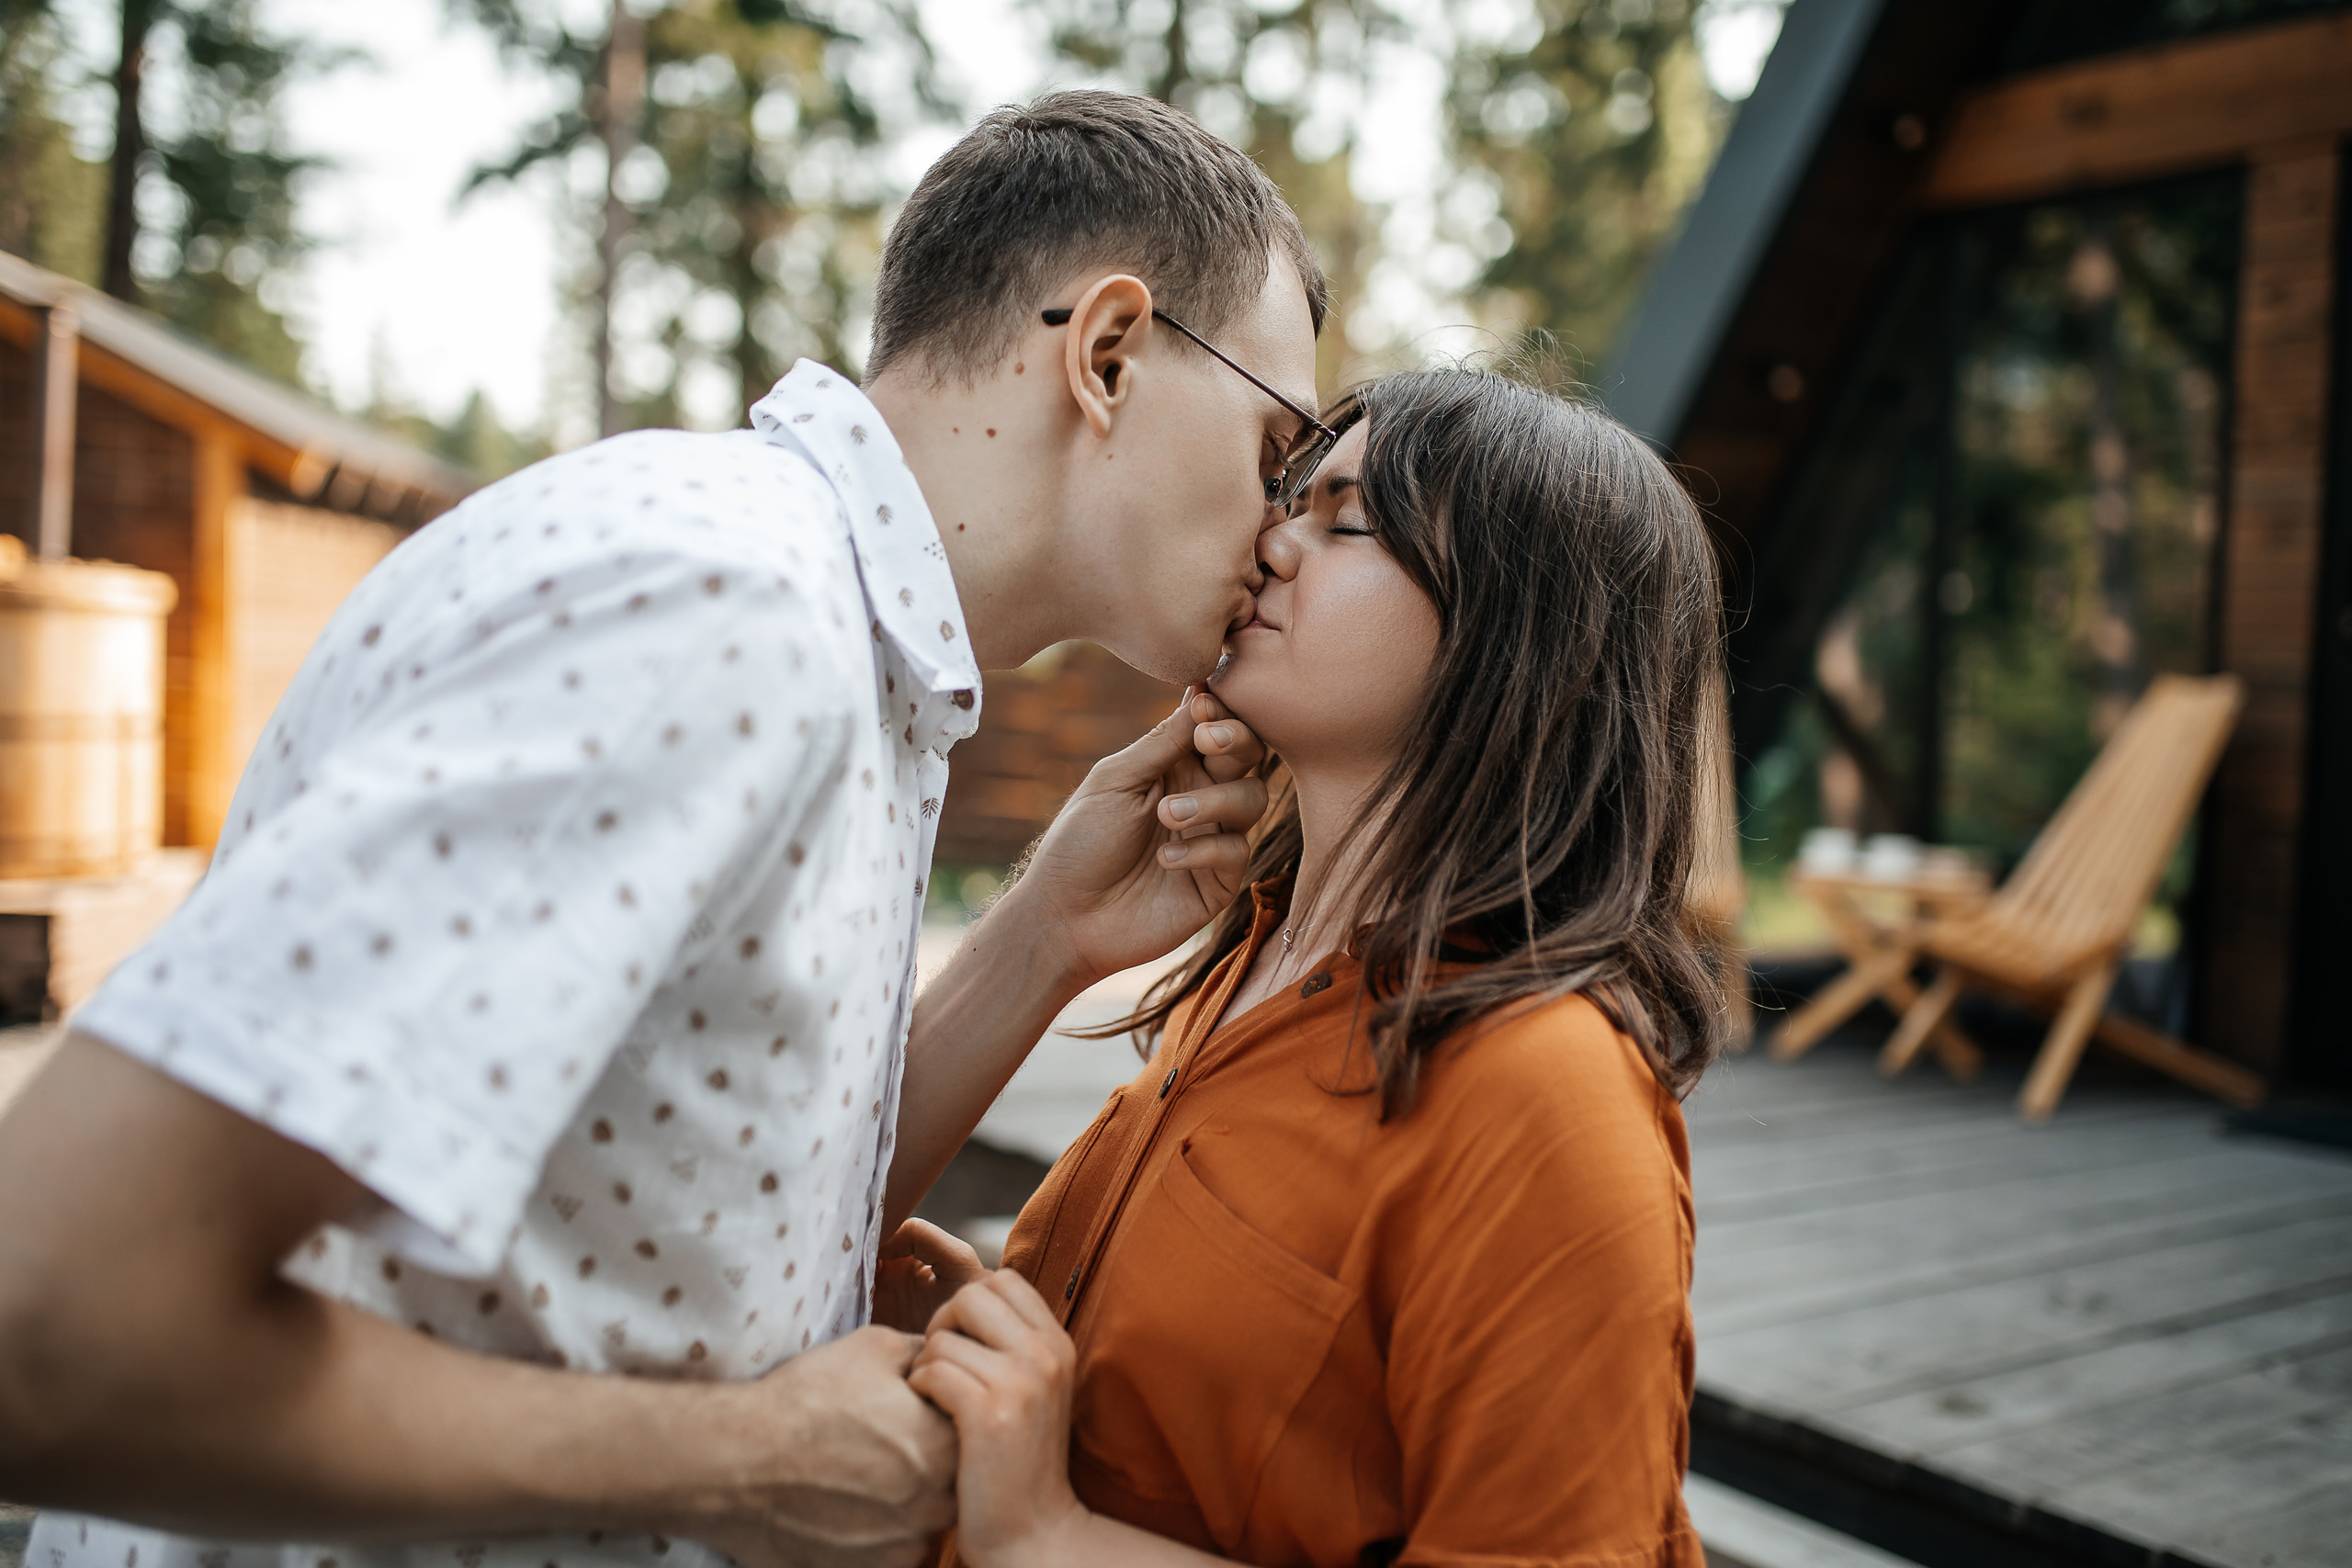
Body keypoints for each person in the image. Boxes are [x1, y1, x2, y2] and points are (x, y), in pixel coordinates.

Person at [0, 90, 1337, 1568]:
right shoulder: (721, 610)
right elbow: (52, 1322)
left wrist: (1044, 940)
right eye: (1279, 445)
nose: (1287, 525)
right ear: (1105, 354)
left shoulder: (842, 650)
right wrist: (741, 1466)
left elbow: (675, 1232)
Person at [896, 367, 1730, 1567]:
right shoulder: (1250, 953)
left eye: (1346, 522)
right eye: (1290, 498)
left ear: (1515, 629)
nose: (1269, 539)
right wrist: (1011, 1342)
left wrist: (1048, 1535)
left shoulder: (1547, 1092)